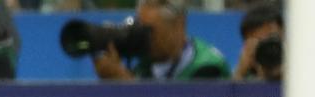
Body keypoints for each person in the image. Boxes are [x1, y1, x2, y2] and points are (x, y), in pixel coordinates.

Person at [93, 0, 230, 82]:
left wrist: (127, 86)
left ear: (178, 26)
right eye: (140, 29)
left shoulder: (208, 67)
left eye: (149, 31)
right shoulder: (143, 67)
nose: (144, 38)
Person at [231, 1, 283, 82]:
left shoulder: (306, 68)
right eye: (259, 42)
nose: (268, 48)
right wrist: (239, 74)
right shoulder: (245, 77)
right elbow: (229, 93)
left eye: (272, 38)